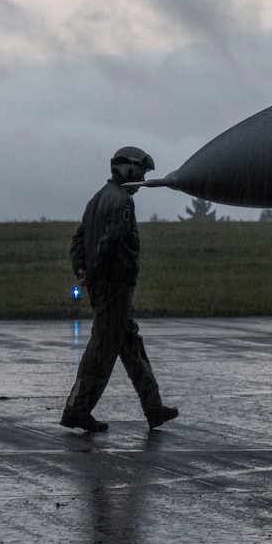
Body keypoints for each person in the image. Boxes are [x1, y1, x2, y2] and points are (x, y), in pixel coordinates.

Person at [61, 147, 179, 434]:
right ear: (128, 169)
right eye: (140, 172)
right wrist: (96, 271)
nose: (141, 179)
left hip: (107, 286)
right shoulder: (123, 202)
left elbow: (79, 240)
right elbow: (110, 241)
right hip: (115, 287)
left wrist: (83, 270)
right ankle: (76, 411)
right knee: (101, 351)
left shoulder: (97, 199)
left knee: (132, 348)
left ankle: (154, 408)